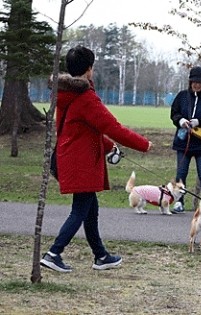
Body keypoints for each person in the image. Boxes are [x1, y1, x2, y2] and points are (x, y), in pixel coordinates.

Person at [40, 45, 153, 273]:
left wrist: (110, 148)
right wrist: (143, 144)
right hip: (81, 162)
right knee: (80, 209)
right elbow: (112, 127)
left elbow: (85, 130)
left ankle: (101, 255)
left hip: (72, 156)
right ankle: (54, 253)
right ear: (89, 69)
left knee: (90, 209)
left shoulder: (65, 94)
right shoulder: (85, 98)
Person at [170, 66, 201, 213]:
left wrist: (199, 121)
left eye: (199, 82)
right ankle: (179, 202)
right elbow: (174, 113)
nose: (196, 85)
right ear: (190, 82)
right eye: (194, 82)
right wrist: (181, 121)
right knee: (181, 173)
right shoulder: (182, 96)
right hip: (183, 142)